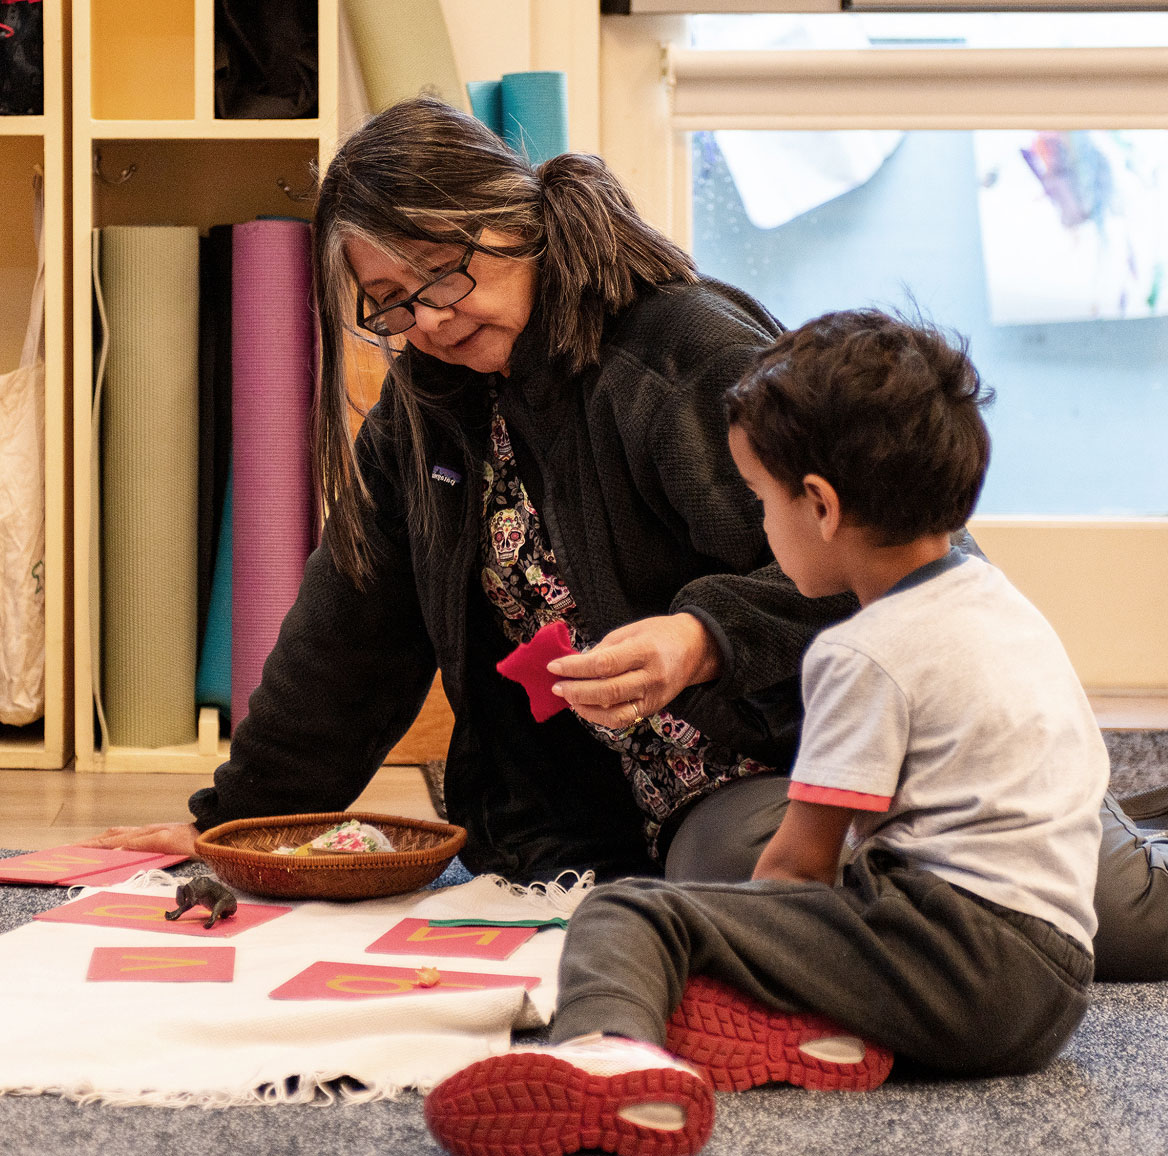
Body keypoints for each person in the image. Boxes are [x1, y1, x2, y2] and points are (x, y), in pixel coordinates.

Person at [86, 97, 1168, 981]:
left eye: (442, 269)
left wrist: (700, 638)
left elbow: (885, 567)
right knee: (718, 888)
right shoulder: (423, 415)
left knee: (1096, 931)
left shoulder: (674, 346)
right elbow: (344, 642)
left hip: (837, 747)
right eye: (389, 304)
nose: (426, 318)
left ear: (509, 213)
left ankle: (1103, 826)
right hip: (652, 815)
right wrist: (233, 827)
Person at [423, 310, 1108, 1156]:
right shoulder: (1000, 604)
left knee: (633, 914)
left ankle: (606, 1060)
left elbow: (798, 869)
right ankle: (824, 1038)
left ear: (818, 506)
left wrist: (729, 938)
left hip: (960, 963)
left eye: (760, 501)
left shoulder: (861, 652)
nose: (760, 524)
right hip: (1054, 984)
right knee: (755, 936)